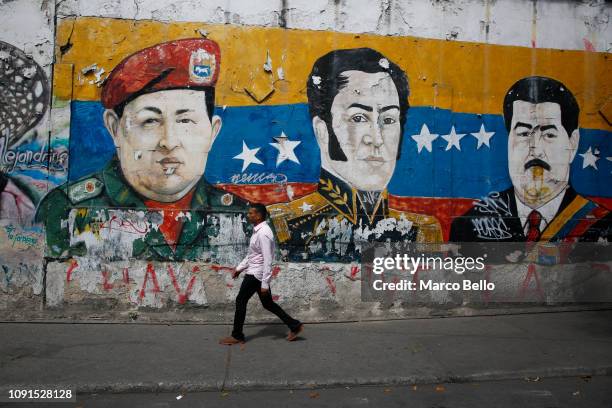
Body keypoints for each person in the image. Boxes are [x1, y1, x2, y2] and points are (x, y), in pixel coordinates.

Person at [35, 38, 248, 260]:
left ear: (212, 132)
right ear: (115, 128)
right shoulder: (65, 209)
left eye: (185, 121)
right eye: (150, 121)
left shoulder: (244, 216)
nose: (169, 141)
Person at [267, 48, 442, 262]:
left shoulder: (421, 233)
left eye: (388, 120)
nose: (377, 139)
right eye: (359, 118)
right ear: (322, 130)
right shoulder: (284, 225)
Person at [450, 76, 610, 243]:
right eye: (524, 134)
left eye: (549, 135)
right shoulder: (468, 228)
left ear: (573, 142)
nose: (536, 150)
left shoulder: (602, 226)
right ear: (509, 139)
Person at [219, 203, 304, 345]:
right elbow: (252, 255)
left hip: (256, 275)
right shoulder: (258, 231)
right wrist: (239, 268)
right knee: (268, 304)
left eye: (251, 213)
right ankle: (295, 325)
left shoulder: (264, 233)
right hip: (256, 272)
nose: (248, 215)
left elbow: (268, 259)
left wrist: (265, 283)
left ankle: (237, 335)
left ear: (258, 215)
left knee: (241, 301)